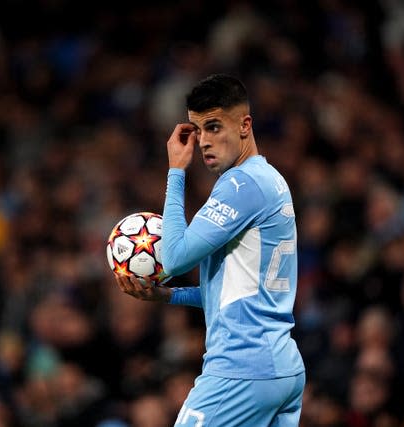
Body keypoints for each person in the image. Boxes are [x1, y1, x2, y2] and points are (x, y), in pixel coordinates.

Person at [114, 74, 306, 426]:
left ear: (245, 125)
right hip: (281, 370)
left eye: (214, 127)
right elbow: (234, 293)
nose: (203, 141)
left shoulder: (240, 183)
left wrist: (175, 171)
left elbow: (172, 258)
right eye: (197, 130)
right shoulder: (272, 180)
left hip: (241, 369)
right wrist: (167, 297)